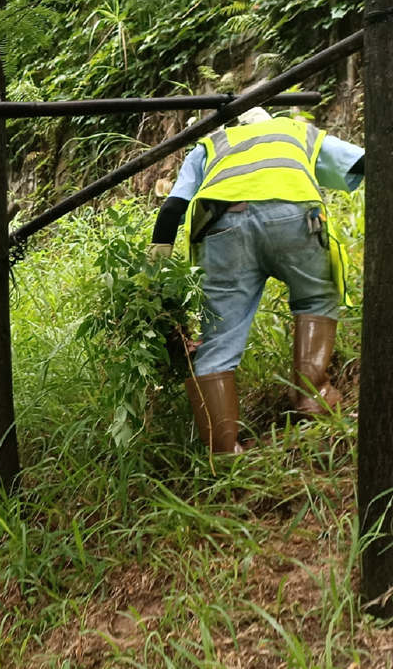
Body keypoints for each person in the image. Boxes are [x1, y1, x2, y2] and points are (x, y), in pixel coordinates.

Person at [149, 107, 364, 454]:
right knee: (316, 298)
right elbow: (365, 163)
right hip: (295, 220)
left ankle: (224, 452)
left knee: (218, 340)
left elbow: (172, 208)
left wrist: (153, 275)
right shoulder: (294, 131)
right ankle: (313, 399)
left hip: (222, 231)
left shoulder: (211, 144)